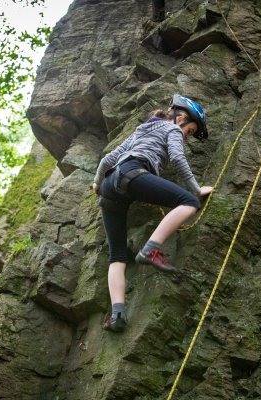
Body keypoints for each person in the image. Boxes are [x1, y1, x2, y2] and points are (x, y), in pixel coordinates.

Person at [91, 94, 213, 332]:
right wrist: (197, 190)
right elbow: (177, 157)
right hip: (132, 174)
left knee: (117, 256)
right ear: (181, 118)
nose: (186, 137)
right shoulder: (173, 130)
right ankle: (151, 250)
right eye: (190, 131)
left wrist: (97, 183)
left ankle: (117, 316)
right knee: (188, 202)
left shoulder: (143, 129)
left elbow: (108, 159)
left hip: (109, 186)